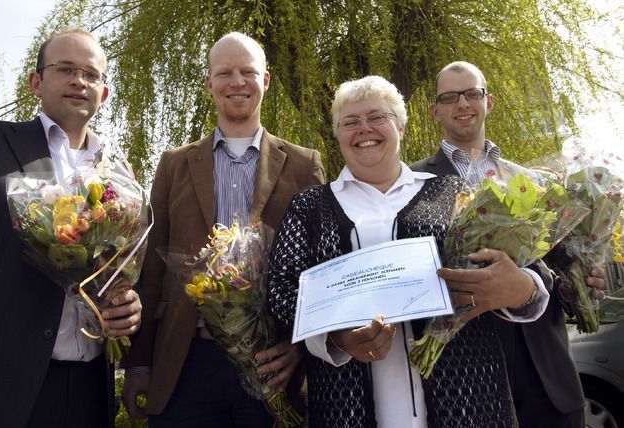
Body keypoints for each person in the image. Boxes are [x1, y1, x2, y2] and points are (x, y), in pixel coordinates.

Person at [266, 75, 556, 428]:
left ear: (401, 127)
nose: (364, 129)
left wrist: (521, 288)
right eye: (350, 122)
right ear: (337, 133)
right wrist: (334, 337)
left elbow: (530, 270)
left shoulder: (456, 194)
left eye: (377, 117)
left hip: (468, 401)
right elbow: (282, 290)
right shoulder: (309, 207)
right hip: (346, 408)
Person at [120, 32, 325, 427]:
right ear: (208, 83)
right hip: (185, 362)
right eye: (224, 73)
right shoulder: (173, 165)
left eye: (248, 72)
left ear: (265, 80)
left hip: (273, 365)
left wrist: (297, 347)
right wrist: (137, 364)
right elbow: (151, 271)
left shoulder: (304, 165)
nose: (237, 82)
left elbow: (320, 270)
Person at [0, 29, 142, 428]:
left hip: (88, 392)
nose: (78, 81)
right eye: (65, 69)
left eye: (91, 74)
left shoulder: (122, 177)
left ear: (103, 94)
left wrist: (129, 309)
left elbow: (122, 273)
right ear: (36, 82)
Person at [411, 60, 606, 428]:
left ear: (489, 101)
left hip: (546, 378)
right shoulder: (412, 185)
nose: (463, 104)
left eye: (473, 93)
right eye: (450, 97)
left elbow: (562, 270)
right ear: (435, 110)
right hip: (464, 384)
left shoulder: (533, 180)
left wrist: (578, 285)